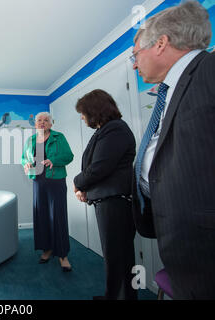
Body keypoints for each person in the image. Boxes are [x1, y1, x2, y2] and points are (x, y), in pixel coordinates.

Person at [131, 1, 215, 299]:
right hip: (179, 238)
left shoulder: (209, 71)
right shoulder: (171, 90)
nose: (134, 64)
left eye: (135, 54)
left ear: (161, 43)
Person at [73, 89, 137, 300]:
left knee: (118, 257)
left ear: (94, 110)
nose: (82, 118)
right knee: (116, 256)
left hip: (115, 203)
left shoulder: (115, 129)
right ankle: (114, 295)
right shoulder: (106, 130)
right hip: (108, 200)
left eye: (83, 113)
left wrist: (77, 183)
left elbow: (99, 168)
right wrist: (86, 190)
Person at [21, 112, 74, 271]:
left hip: (56, 181)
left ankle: (63, 255)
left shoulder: (59, 137)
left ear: (51, 124)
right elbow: (24, 158)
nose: (42, 123)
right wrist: (27, 164)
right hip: (38, 181)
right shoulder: (30, 140)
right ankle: (47, 249)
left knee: (57, 216)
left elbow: (69, 156)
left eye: (46, 120)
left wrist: (54, 160)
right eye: (39, 120)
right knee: (41, 215)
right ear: (35, 123)